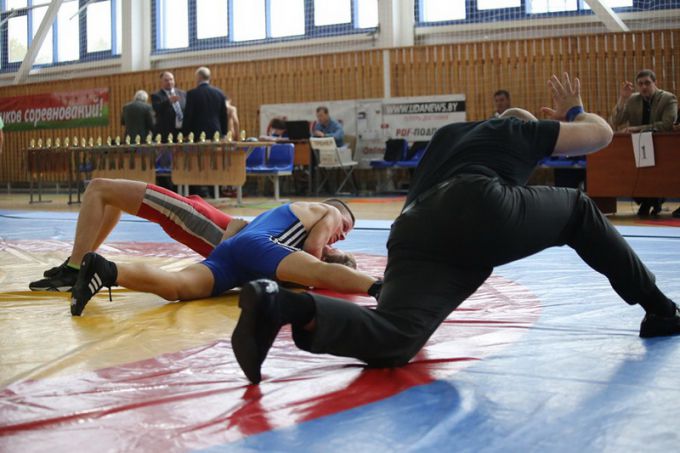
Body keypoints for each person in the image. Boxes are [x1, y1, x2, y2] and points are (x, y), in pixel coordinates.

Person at [230, 73, 680, 385]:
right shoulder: (513, 131)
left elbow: (432, 211)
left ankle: (283, 307)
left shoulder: (449, 134)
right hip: (475, 205)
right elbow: (599, 135)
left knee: (397, 336)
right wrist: (571, 112)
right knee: (579, 209)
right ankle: (661, 309)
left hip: (413, 229)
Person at [69, 200, 377, 317]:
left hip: (234, 254)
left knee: (177, 286)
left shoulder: (280, 220)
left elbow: (236, 232)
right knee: (318, 273)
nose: (342, 236)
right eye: (345, 229)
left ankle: (108, 269)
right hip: (257, 248)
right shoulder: (330, 212)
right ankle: (380, 286)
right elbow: (313, 253)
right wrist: (328, 263)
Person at [28, 178, 235, 292]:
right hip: (205, 220)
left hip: (202, 221)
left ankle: (73, 271)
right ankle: (79, 263)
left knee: (98, 188)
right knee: (111, 198)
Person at [610, 69, 678, 217]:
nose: (644, 87)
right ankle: (647, 201)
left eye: (647, 83)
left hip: (663, 147)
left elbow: (667, 124)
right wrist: (622, 99)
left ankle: (655, 200)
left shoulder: (668, 98)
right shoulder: (633, 100)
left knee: (658, 173)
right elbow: (615, 122)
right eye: (640, 84)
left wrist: (637, 129)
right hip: (638, 146)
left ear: (655, 83)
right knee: (628, 171)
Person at [183, 67, 228, 139]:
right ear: (209, 77)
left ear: (199, 77)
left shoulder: (192, 94)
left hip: (197, 132)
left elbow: (188, 115)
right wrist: (224, 133)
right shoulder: (220, 93)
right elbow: (223, 115)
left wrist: (185, 133)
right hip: (216, 131)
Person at [151, 71, 186, 142]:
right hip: (166, 132)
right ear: (161, 82)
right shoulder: (156, 95)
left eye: (171, 79)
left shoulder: (182, 93)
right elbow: (157, 109)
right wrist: (169, 102)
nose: (169, 82)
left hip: (181, 130)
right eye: (166, 80)